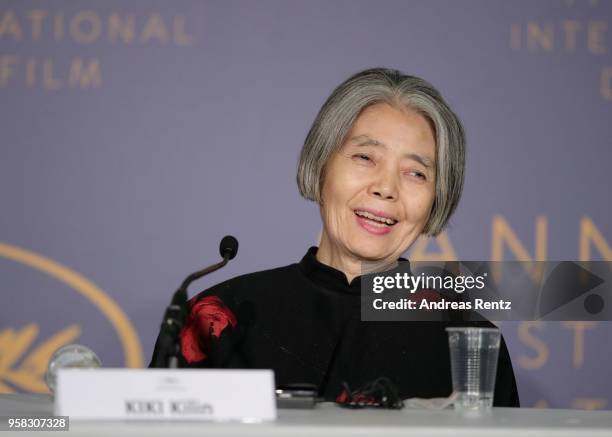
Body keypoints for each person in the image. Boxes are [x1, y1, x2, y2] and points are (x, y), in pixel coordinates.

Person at [150, 68, 520, 407]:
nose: (386, 188)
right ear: (322, 164)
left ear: (438, 197)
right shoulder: (218, 316)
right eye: (365, 157)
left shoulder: (468, 342)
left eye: (416, 173)